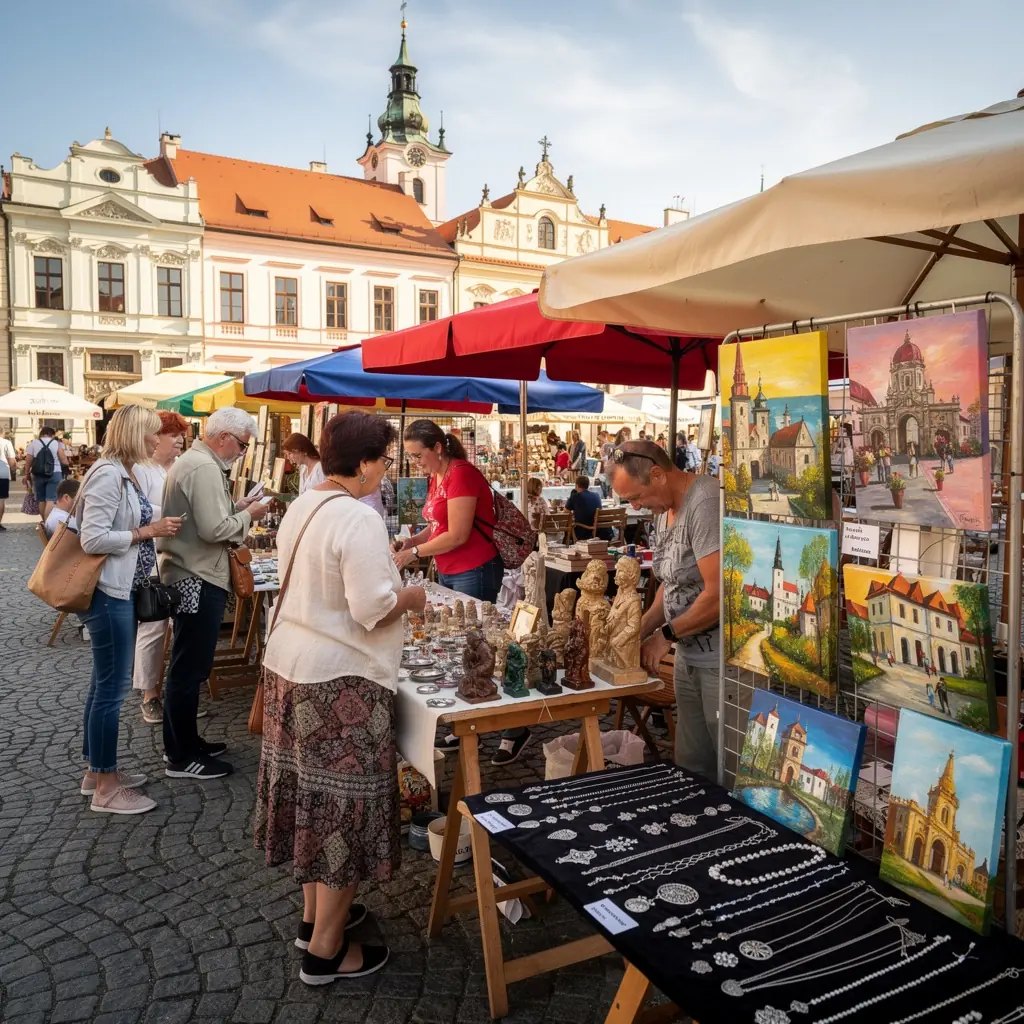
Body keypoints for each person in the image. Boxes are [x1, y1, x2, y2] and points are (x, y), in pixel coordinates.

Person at [255, 411, 424, 986]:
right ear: (364, 462)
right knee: (342, 814)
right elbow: (372, 605)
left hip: (291, 670)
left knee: (313, 802)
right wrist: (414, 596)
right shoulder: (357, 516)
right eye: (385, 460)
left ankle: (314, 919)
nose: (388, 470)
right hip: (341, 682)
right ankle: (325, 950)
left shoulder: (305, 503)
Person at [395, 420, 522, 764]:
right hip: (451, 571)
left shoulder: (463, 473)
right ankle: (468, 723)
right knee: (459, 648)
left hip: (475, 568)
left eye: (417, 454)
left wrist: (415, 553)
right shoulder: (438, 474)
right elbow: (438, 525)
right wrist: (413, 541)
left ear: (437, 448)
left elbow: (458, 534)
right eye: (409, 456)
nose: (414, 462)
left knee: (478, 646)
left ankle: (510, 726)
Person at [77, 405, 183, 814]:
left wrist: (163, 518)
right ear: (136, 433)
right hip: (109, 594)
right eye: (153, 433)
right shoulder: (108, 474)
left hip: (118, 591)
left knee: (101, 686)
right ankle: (105, 787)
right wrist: (147, 532)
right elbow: (93, 539)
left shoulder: (121, 470)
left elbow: (136, 513)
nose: (158, 440)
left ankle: (96, 773)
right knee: (111, 692)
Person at [160, 407, 268, 780]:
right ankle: (180, 755)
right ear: (223, 436)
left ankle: (185, 743)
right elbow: (213, 529)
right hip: (197, 574)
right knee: (189, 669)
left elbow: (208, 518)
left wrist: (235, 507)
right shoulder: (203, 467)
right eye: (241, 444)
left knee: (189, 666)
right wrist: (248, 515)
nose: (241, 452)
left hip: (190, 570)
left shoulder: (197, 462)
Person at [608, 441, 721, 778]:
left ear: (657, 474)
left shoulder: (705, 503)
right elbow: (670, 588)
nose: (635, 506)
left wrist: (665, 636)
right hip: (689, 656)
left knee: (728, 769)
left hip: (720, 661)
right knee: (692, 764)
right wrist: (638, 630)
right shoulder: (665, 511)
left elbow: (718, 594)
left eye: (636, 497)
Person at [132, 411, 189, 726]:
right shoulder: (141, 470)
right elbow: (135, 511)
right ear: (154, 438)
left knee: (178, 627)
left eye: (181, 434)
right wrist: (173, 513)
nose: (179, 439)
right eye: (172, 434)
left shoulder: (179, 468)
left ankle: (177, 696)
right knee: (153, 626)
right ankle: (149, 694)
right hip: (150, 559)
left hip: (181, 557)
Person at [25, 425, 70, 523]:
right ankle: (49, 524)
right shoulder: (57, 443)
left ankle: (44, 521)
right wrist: (67, 463)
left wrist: (26, 474)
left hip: (38, 473)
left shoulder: (33, 443)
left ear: (41, 434)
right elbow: (62, 458)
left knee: (41, 500)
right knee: (51, 499)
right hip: (55, 473)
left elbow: (28, 460)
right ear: (52, 435)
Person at [566, 475, 609, 540]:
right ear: (588, 485)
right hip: (598, 530)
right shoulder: (596, 495)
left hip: (583, 531)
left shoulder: (575, 496)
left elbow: (565, 512)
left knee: (568, 526)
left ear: (577, 485)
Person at [0, 428, 16, 530]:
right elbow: (11, 459)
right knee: (1, 499)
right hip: (2, 472)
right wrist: (14, 469)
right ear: (2, 433)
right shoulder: (6, 442)